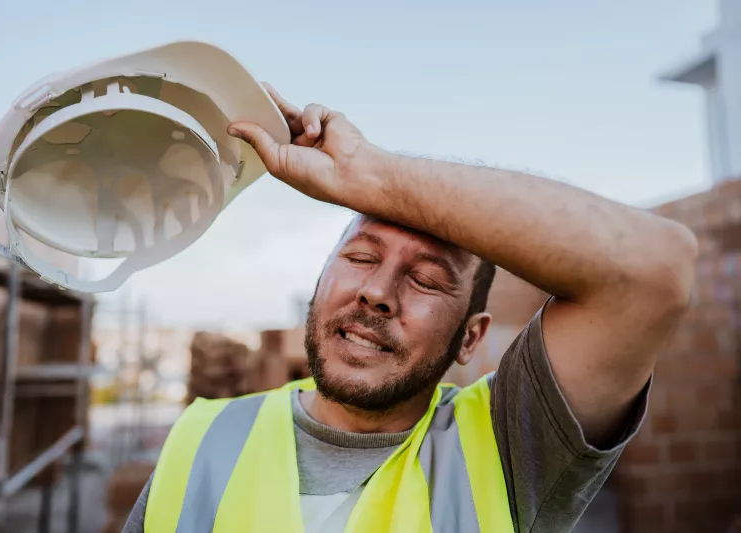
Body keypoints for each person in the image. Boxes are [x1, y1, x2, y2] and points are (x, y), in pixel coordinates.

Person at [123, 84, 697, 533]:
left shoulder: (505, 449)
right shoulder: (202, 438)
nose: (376, 292)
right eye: (360, 256)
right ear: (320, 281)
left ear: (471, 339)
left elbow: (655, 270)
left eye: (425, 280)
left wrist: (370, 175)